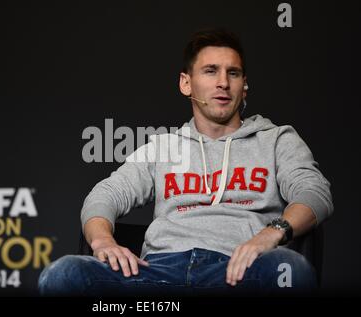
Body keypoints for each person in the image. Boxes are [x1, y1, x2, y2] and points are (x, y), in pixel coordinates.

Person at [38, 28, 333, 296]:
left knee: (289, 269)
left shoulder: (277, 139)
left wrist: (272, 232)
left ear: (244, 86)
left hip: (240, 270)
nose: (223, 83)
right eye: (210, 71)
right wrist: (102, 241)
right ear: (186, 84)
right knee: (63, 274)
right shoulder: (163, 146)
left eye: (233, 73)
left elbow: (314, 193)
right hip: (155, 273)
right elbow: (105, 195)